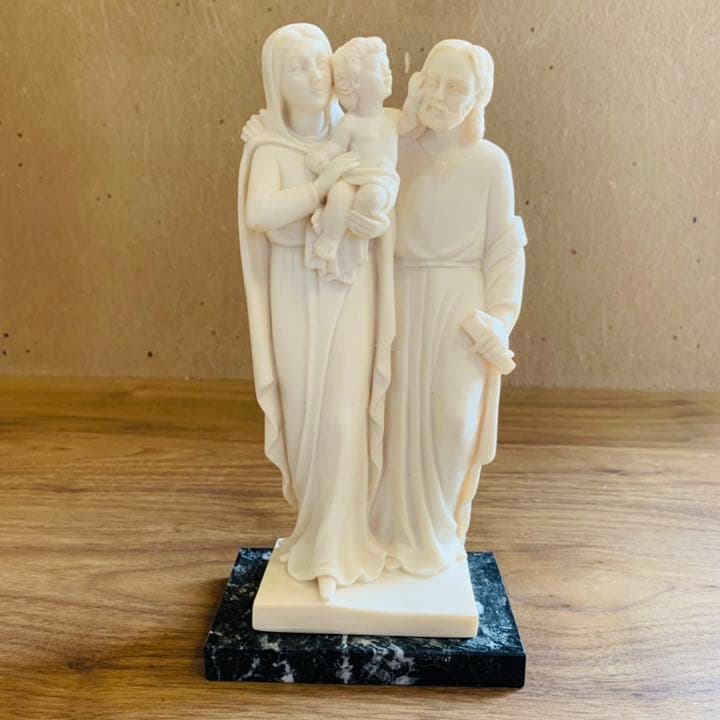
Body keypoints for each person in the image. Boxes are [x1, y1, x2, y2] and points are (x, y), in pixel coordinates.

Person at [238, 24, 395, 602]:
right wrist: (321, 186)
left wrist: (373, 218)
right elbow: (259, 213)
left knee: (344, 413)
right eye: (298, 67)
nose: (315, 75)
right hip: (294, 289)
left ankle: (340, 544)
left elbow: (390, 178)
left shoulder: (355, 134)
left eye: (321, 61)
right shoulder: (270, 149)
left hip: (350, 285)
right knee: (307, 411)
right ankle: (314, 534)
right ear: (275, 81)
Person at [370, 40, 528, 576]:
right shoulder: (394, 147)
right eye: (432, 80)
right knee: (390, 417)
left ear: (478, 97)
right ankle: (380, 533)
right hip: (396, 298)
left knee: (452, 420)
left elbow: (505, 248)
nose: (439, 94)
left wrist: (500, 318)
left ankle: (436, 536)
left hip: (461, 308)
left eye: (456, 87)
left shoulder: (490, 163)